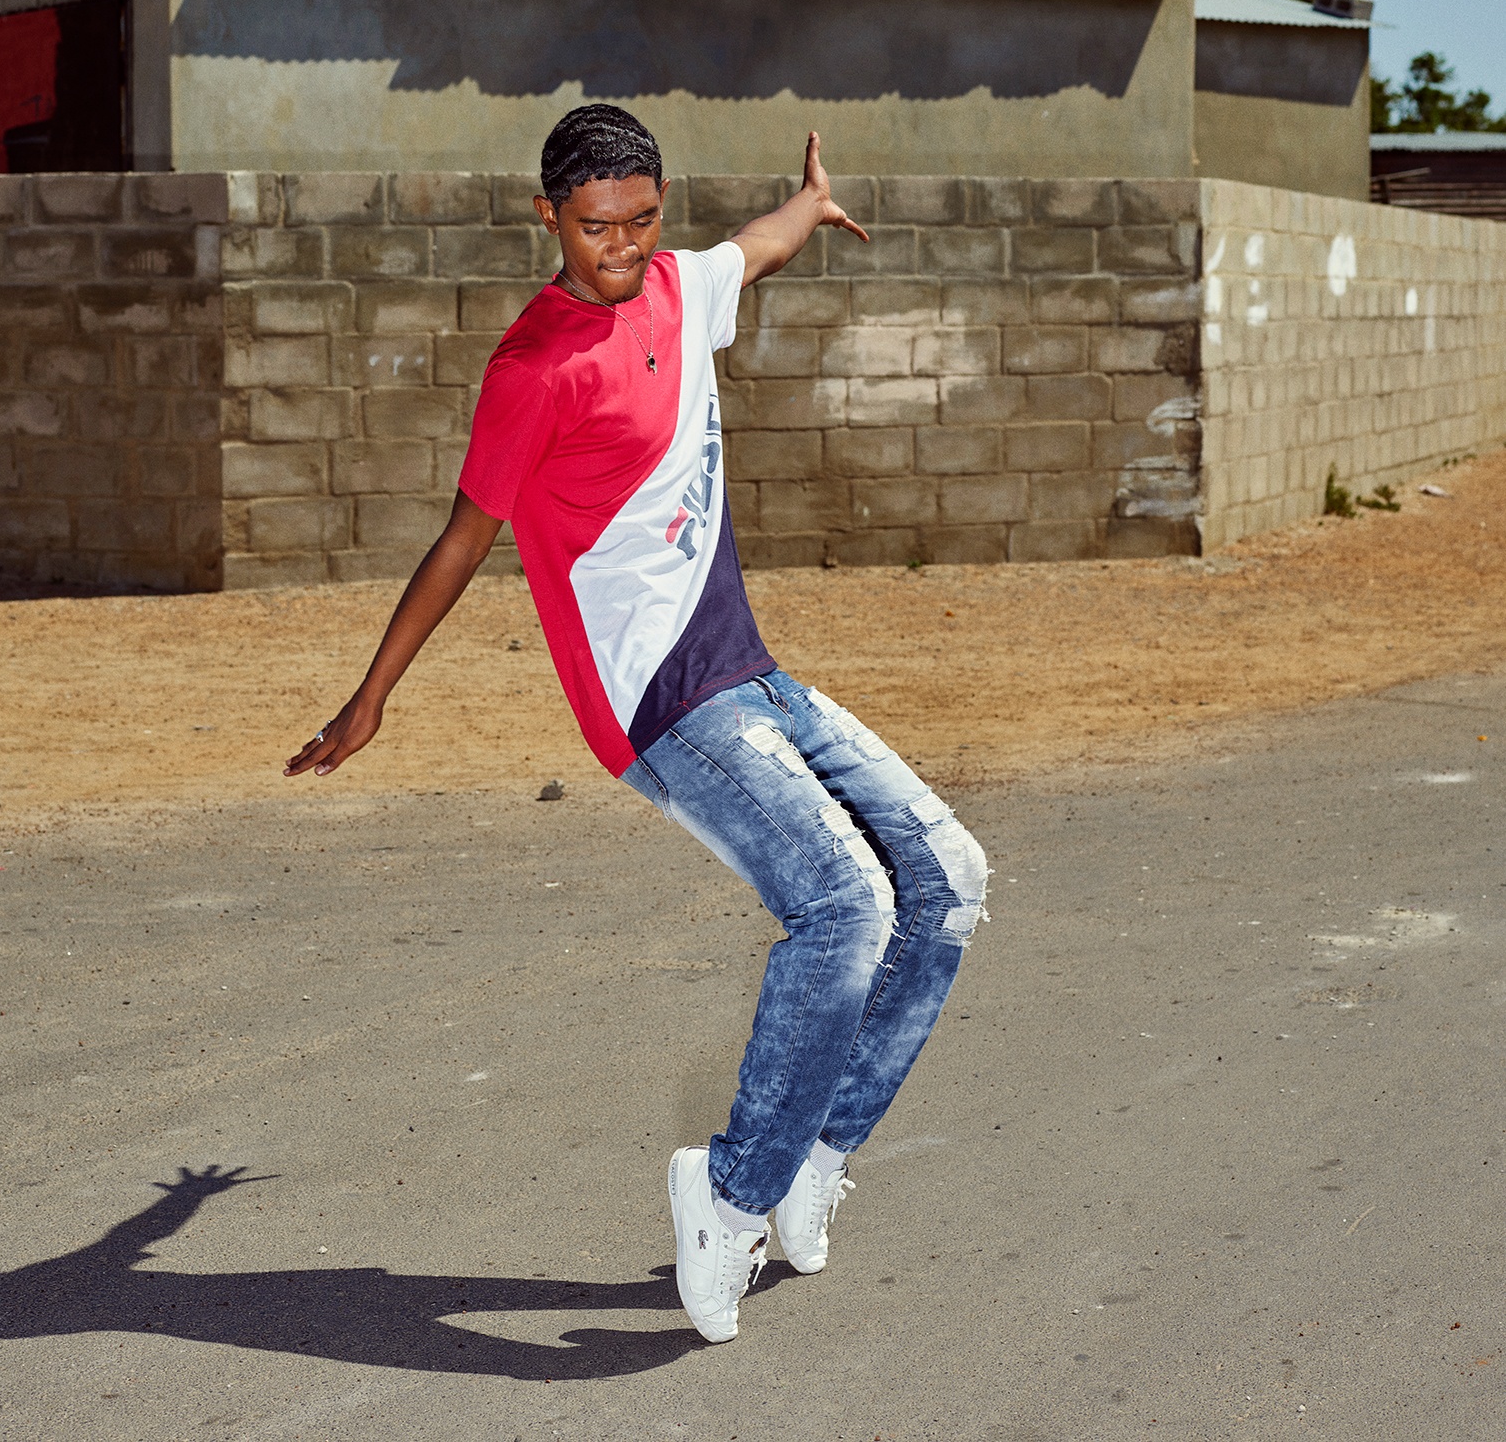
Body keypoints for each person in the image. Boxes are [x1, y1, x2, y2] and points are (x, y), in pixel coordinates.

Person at [284, 104, 988, 1344]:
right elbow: (462, 542)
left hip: (752, 673)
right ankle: (727, 1191)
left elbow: (751, 252)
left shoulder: (679, 283)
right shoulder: (532, 368)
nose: (620, 246)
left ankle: (817, 1152)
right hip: (658, 702)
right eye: (596, 225)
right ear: (547, 214)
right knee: (844, 903)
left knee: (947, 878)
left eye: (643, 220)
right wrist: (372, 694)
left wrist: (810, 208)